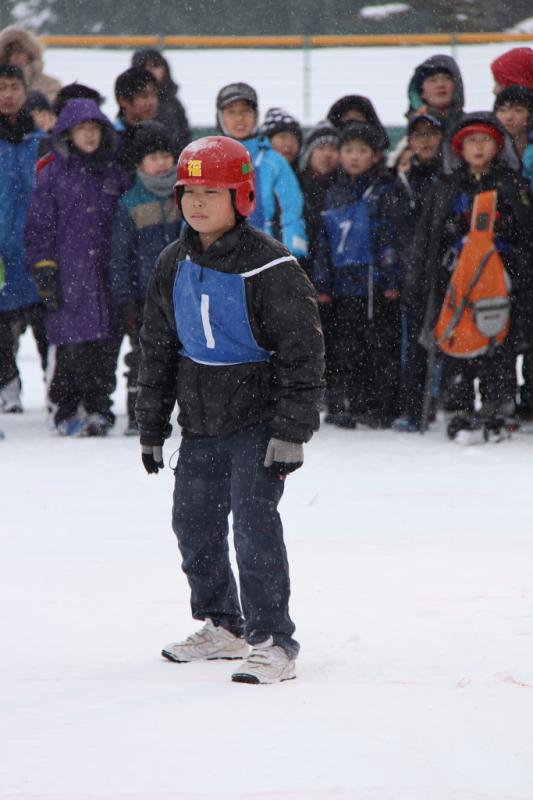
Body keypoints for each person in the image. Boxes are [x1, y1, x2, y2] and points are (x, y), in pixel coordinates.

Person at [136, 136, 324, 684]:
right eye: (188, 191)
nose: (196, 203)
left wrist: (292, 430)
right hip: (200, 422)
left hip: (258, 421)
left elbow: (303, 352)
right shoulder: (173, 262)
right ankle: (225, 623)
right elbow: (158, 346)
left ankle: (273, 640)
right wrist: (152, 425)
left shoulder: (271, 266)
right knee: (193, 523)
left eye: (210, 192)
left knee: (254, 528)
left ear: (240, 197)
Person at [403, 113, 533, 437]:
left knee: (496, 345)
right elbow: (427, 238)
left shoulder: (513, 186)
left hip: (500, 280)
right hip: (455, 279)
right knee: (455, 344)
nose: (478, 147)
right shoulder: (446, 187)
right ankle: (459, 409)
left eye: (485, 140)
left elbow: (525, 236)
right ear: (459, 148)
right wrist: (419, 279)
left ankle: (495, 409)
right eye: (471, 141)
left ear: (497, 145)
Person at [25, 99, 130, 436]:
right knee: (70, 349)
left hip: (106, 275)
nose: (89, 135)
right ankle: (65, 408)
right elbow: (40, 225)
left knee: (105, 349)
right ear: (68, 134)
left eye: (94, 129)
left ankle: (100, 407)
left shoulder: (114, 174)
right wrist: (45, 267)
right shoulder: (53, 173)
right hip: (68, 277)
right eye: (82, 129)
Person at [313, 121, 402, 429]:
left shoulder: (383, 191)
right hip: (342, 287)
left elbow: (390, 237)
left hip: (374, 286)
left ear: (375, 155)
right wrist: (322, 282)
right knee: (344, 347)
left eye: (361, 151)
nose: (353, 157)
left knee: (378, 347)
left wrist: (391, 279)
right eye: (348, 150)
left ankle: (379, 405)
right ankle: (345, 402)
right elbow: (324, 241)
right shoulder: (334, 192)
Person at [109, 120, 182, 434]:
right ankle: (140, 414)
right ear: (139, 163)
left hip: (182, 294)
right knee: (143, 358)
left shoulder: (186, 197)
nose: (162, 162)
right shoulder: (130, 204)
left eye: (166, 155)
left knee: (183, 359)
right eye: (153, 156)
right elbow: (119, 258)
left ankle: (185, 413)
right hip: (144, 298)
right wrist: (125, 300)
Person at [391, 114, 444, 432]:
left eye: (432, 134)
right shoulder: (401, 180)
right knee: (412, 346)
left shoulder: (449, 177)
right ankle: (412, 408)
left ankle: (443, 403)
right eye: (419, 135)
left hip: (440, 271)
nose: (425, 140)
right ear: (409, 142)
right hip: (408, 274)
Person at [216, 82, 308, 258]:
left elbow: (292, 210)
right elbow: (195, 211)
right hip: (219, 258)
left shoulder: (274, 162)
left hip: (265, 259)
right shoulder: (210, 160)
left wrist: (290, 255)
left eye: (245, 111)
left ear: (256, 115)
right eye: (231, 112)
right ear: (220, 117)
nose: (239, 118)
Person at [0, 64, 43, 413]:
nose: (8, 95)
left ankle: (58, 395)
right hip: (1, 249)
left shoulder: (40, 141)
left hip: (37, 248)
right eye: (1, 87)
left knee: (47, 325)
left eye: (14, 87)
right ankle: (8, 388)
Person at [131, 48, 190, 157]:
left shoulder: (173, 103)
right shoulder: (129, 103)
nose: (153, 71)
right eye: (147, 66)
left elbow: (184, 137)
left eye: (156, 65)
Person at [114, 66, 160, 178]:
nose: (151, 102)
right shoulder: (112, 138)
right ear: (122, 100)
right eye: (143, 96)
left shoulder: (159, 133)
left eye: (154, 95)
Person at [0, 25, 61, 102]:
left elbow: (49, 111)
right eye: (9, 52)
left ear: (30, 54)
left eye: (18, 50)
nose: (14, 57)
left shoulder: (50, 84)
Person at [405, 54, 464, 133]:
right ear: (421, 92)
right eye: (432, 80)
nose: (440, 84)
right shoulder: (410, 137)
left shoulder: (471, 128)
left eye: (447, 78)